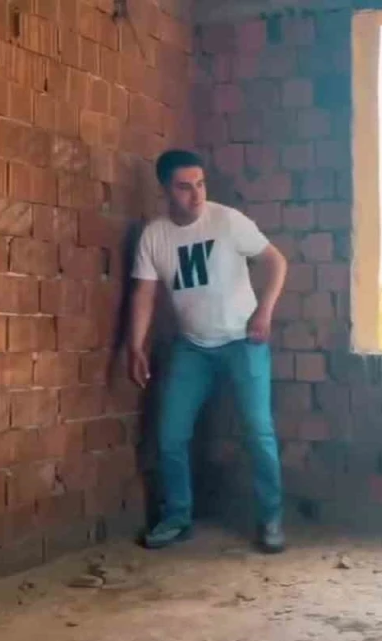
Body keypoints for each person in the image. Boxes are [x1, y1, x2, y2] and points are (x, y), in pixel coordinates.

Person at [128, 149, 289, 553]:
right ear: (166, 190)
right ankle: (177, 517)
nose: (196, 194)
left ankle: (270, 519)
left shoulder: (228, 221)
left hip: (243, 342)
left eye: (200, 184)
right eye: (184, 187)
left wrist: (264, 311)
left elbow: (276, 262)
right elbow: (144, 294)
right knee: (170, 434)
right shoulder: (154, 236)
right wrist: (135, 345)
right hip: (193, 347)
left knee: (258, 431)